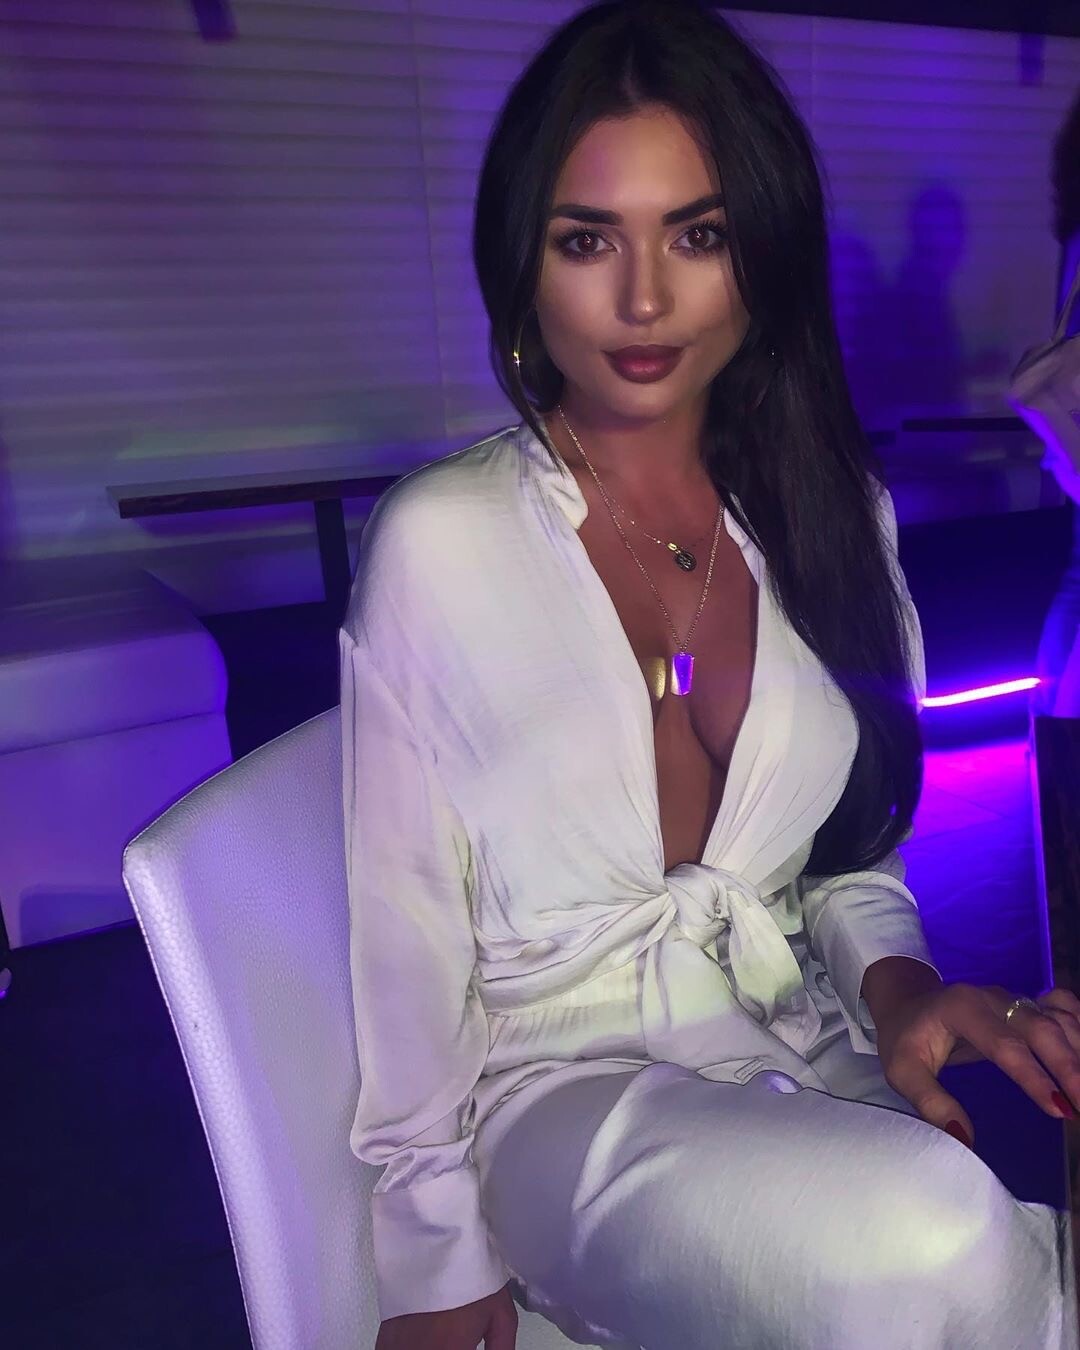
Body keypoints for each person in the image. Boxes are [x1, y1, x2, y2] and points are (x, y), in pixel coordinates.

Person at [339, 3, 1080, 1346]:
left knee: (969, 1251)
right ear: (522, 261)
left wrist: (903, 992)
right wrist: (431, 1255)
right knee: (941, 1229)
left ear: (763, 255)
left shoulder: (832, 516)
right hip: (560, 1098)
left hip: (794, 1038)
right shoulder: (441, 543)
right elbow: (405, 934)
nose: (642, 298)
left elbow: (846, 861)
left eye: (698, 234)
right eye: (587, 240)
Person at [1034, 87, 1080, 718]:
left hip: (1071, 433)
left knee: (1077, 581)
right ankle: (1063, 734)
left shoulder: (1074, 228)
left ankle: (1050, 728)